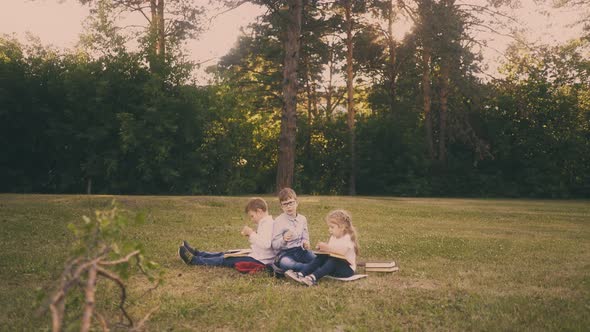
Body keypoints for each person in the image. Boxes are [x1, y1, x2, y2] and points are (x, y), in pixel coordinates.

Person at [178, 197, 276, 271]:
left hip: (260, 260)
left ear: (259, 211)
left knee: (226, 259)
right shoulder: (264, 223)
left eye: (252, 216)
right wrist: (252, 235)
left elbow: (266, 244)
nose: (252, 219)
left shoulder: (268, 224)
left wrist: (251, 233)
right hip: (255, 254)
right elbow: (261, 241)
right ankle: (198, 253)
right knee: (226, 253)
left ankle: (194, 260)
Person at [285, 209, 359, 286]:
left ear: (342, 227)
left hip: (346, 270)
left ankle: (312, 278)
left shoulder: (347, 238)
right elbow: (330, 252)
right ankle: (301, 274)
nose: (329, 229)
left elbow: (341, 253)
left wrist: (327, 248)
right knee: (321, 258)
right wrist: (322, 250)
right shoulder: (334, 237)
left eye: (332, 227)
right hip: (334, 267)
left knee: (334, 260)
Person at [271, 187, 316, 272]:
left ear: (296, 203)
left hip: (301, 251)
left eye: (291, 203)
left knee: (315, 259)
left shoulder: (302, 219)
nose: (288, 207)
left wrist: (305, 243)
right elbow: (274, 244)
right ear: (281, 206)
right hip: (285, 253)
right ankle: (308, 268)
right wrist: (283, 239)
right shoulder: (278, 221)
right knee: (286, 264)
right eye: (285, 204)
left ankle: (310, 267)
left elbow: (305, 238)